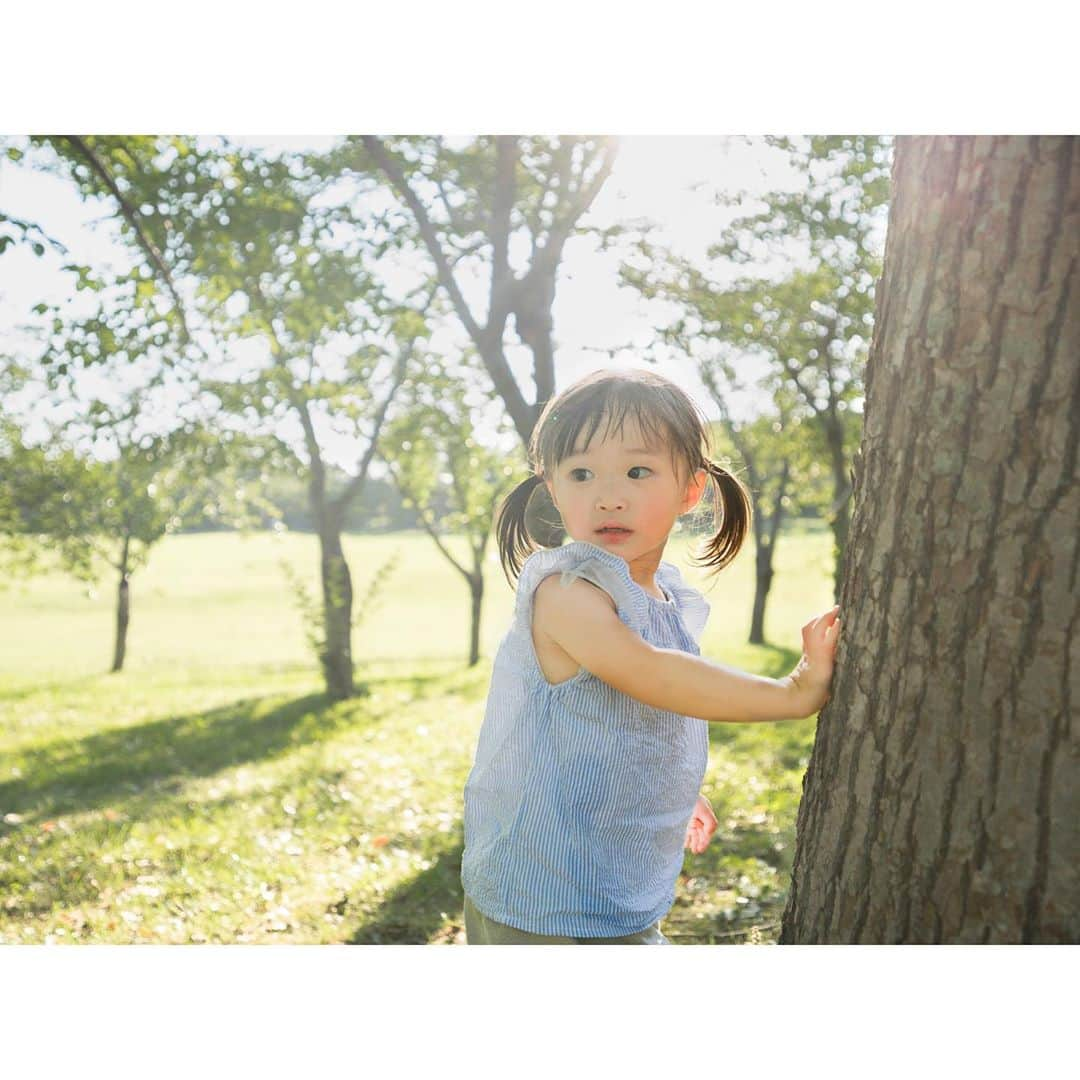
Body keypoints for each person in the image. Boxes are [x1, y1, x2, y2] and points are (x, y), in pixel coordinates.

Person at [461, 369, 841, 944]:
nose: (608, 495)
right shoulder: (567, 595)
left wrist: (677, 785)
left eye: (638, 472)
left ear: (690, 489)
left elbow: (644, 715)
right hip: (541, 893)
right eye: (581, 474)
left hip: (609, 881)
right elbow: (653, 675)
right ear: (554, 489)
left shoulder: (660, 595)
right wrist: (792, 693)